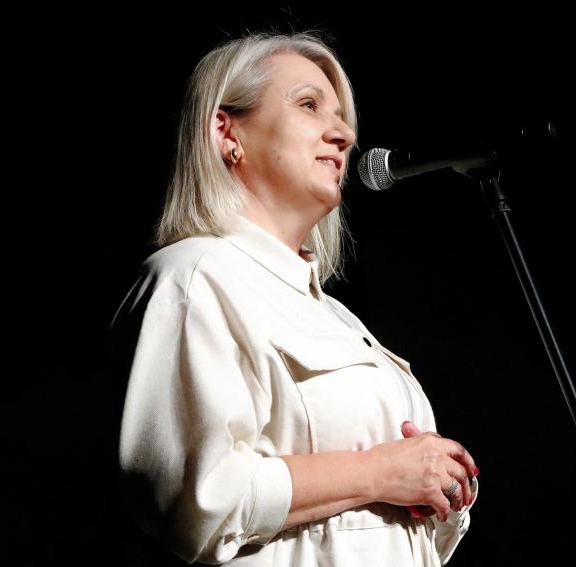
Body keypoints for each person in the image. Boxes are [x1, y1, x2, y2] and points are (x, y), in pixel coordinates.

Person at [106, 31, 480, 566]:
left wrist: (442, 485)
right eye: (309, 105)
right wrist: (379, 472)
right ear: (227, 132)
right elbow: (194, 501)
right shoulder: (192, 278)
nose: (345, 135)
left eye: (342, 117)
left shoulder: (338, 318)